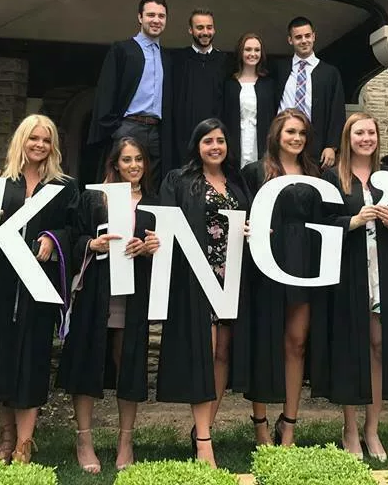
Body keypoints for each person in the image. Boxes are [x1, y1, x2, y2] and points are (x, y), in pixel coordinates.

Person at [0, 115, 76, 465]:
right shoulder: (3, 183)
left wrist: (53, 238)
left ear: (53, 146)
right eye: (33, 138)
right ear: (22, 140)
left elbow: (73, 231)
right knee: (2, 360)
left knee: (32, 361)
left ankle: (25, 443)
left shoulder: (63, 187)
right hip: (3, 284)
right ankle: (5, 438)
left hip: (37, 287)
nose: (39, 145)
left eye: (46, 140)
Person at [57, 137, 160, 473]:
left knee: (128, 364)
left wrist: (152, 245)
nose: (133, 166)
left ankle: (125, 441)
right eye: (126, 160)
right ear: (115, 163)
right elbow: (74, 237)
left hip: (134, 294)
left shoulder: (153, 203)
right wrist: (92, 243)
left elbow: (167, 246)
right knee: (87, 360)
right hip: (97, 292)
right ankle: (84, 439)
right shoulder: (94, 197)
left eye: (139, 160)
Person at [320, 113, 388, 462]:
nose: (366, 138)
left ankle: (372, 429)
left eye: (371, 132)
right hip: (349, 272)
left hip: (384, 271)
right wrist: (353, 220)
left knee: (378, 346)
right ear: (348, 137)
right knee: (352, 347)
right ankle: (349, 428)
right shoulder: (333, 178)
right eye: (359, 132)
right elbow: (319, 222)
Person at [156, 118, 251, 468]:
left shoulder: (236, 182)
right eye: (208, 140)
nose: (215, 146)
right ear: (197, 145)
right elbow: (165, 224)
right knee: (204, 353)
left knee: (223, 353)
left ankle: (204, 428)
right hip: (197, 276)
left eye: (221, 141)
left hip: (231, 276)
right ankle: (204, 440)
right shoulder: (179, 181)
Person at [236, 109, 323, 447]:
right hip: (265, 261)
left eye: (301, 133)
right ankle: (259, 424)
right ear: (277, 135)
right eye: (290, 132)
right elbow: (240, 209)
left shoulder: (315, 172)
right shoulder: (255, 172)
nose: (296, 138)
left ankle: (289, 423)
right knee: (265, 341)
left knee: (297, 342)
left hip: (303, 262)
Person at [89, 0, 174, 188]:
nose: (156, 20)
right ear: (140, 17)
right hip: (128, 126)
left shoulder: (167, 57)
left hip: (155, 131)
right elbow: (106, 91)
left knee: (151, 184)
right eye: (151, 15)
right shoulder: (123, 50)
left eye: (161, 16)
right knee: (118, 184)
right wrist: (115, 128)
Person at [273, 16, 345, 170]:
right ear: (290, 40)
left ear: (314, 36)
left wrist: (331, 146)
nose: (304, 41)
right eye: (298, 37)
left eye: (307, 36)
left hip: (315, 148)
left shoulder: (329, 73)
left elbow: (337, 111)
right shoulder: (279, 70)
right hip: (282, 144)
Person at [171, 9, 230, 168]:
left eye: (209, 27)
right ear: (190, 30)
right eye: (200, 27)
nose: (205, 32)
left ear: (214, 29)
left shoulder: (225, 62)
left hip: (215, 138)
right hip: (184, 137)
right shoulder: (178, 60)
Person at [220, 33, 277, 168]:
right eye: (248, 49)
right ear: (241, 52)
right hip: (236, 139)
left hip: (261, 140)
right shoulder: (229, 83)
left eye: (257, 50)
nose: (253, 54)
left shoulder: (268, 84)